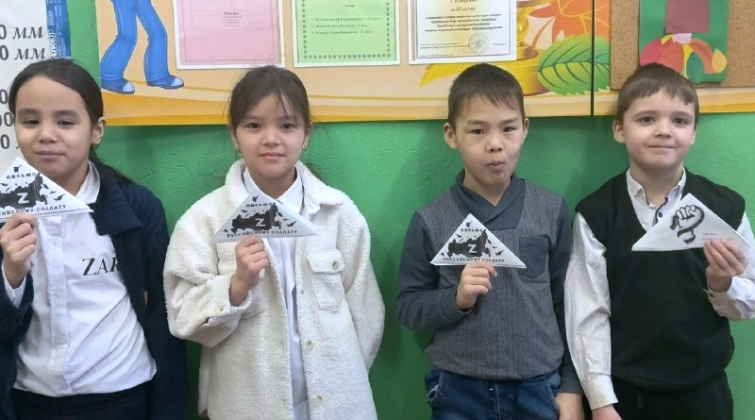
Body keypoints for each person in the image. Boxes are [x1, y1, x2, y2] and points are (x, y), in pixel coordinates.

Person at [163, 65, 385, 420]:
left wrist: (346, 377)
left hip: (339, 402)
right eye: (254, 125)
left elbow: (366, 311)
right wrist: (235, 287)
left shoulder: (337, 212)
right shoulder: (204, 219)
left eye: (287, 125)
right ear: (234, 135)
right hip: (247, 405)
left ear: (306, 134)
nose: (270, 138)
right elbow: (182, 316)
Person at [0, 58, 189, 420]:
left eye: (65, 122)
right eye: (30, 121)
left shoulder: (137, 208)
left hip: (122, 396)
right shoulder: (5, 213)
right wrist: (10, 276)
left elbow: (164, 317)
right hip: (29, 400)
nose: (46, 134)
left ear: (97, 130)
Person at [566, 63, 755, 420]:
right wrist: (601, 401)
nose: (664, 130)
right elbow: (587, 314)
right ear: (620, 129)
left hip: (703, 394)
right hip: (624, 396)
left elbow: (749, 303)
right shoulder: (597, 214)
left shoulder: (725, 208)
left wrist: (723, 284)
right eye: (647, 119)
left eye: (679, 120)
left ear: (694, 132)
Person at [396, 63, 583, 420]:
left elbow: (569, 304)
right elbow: (408, 306)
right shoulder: (431, 220)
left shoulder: (550, 209)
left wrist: (571, 386)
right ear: (451, 135)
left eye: (508, 128)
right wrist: (456, 299)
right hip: (458, 391)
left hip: (538, 388)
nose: (495, 144)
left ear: (524, 129)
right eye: (478, 131)